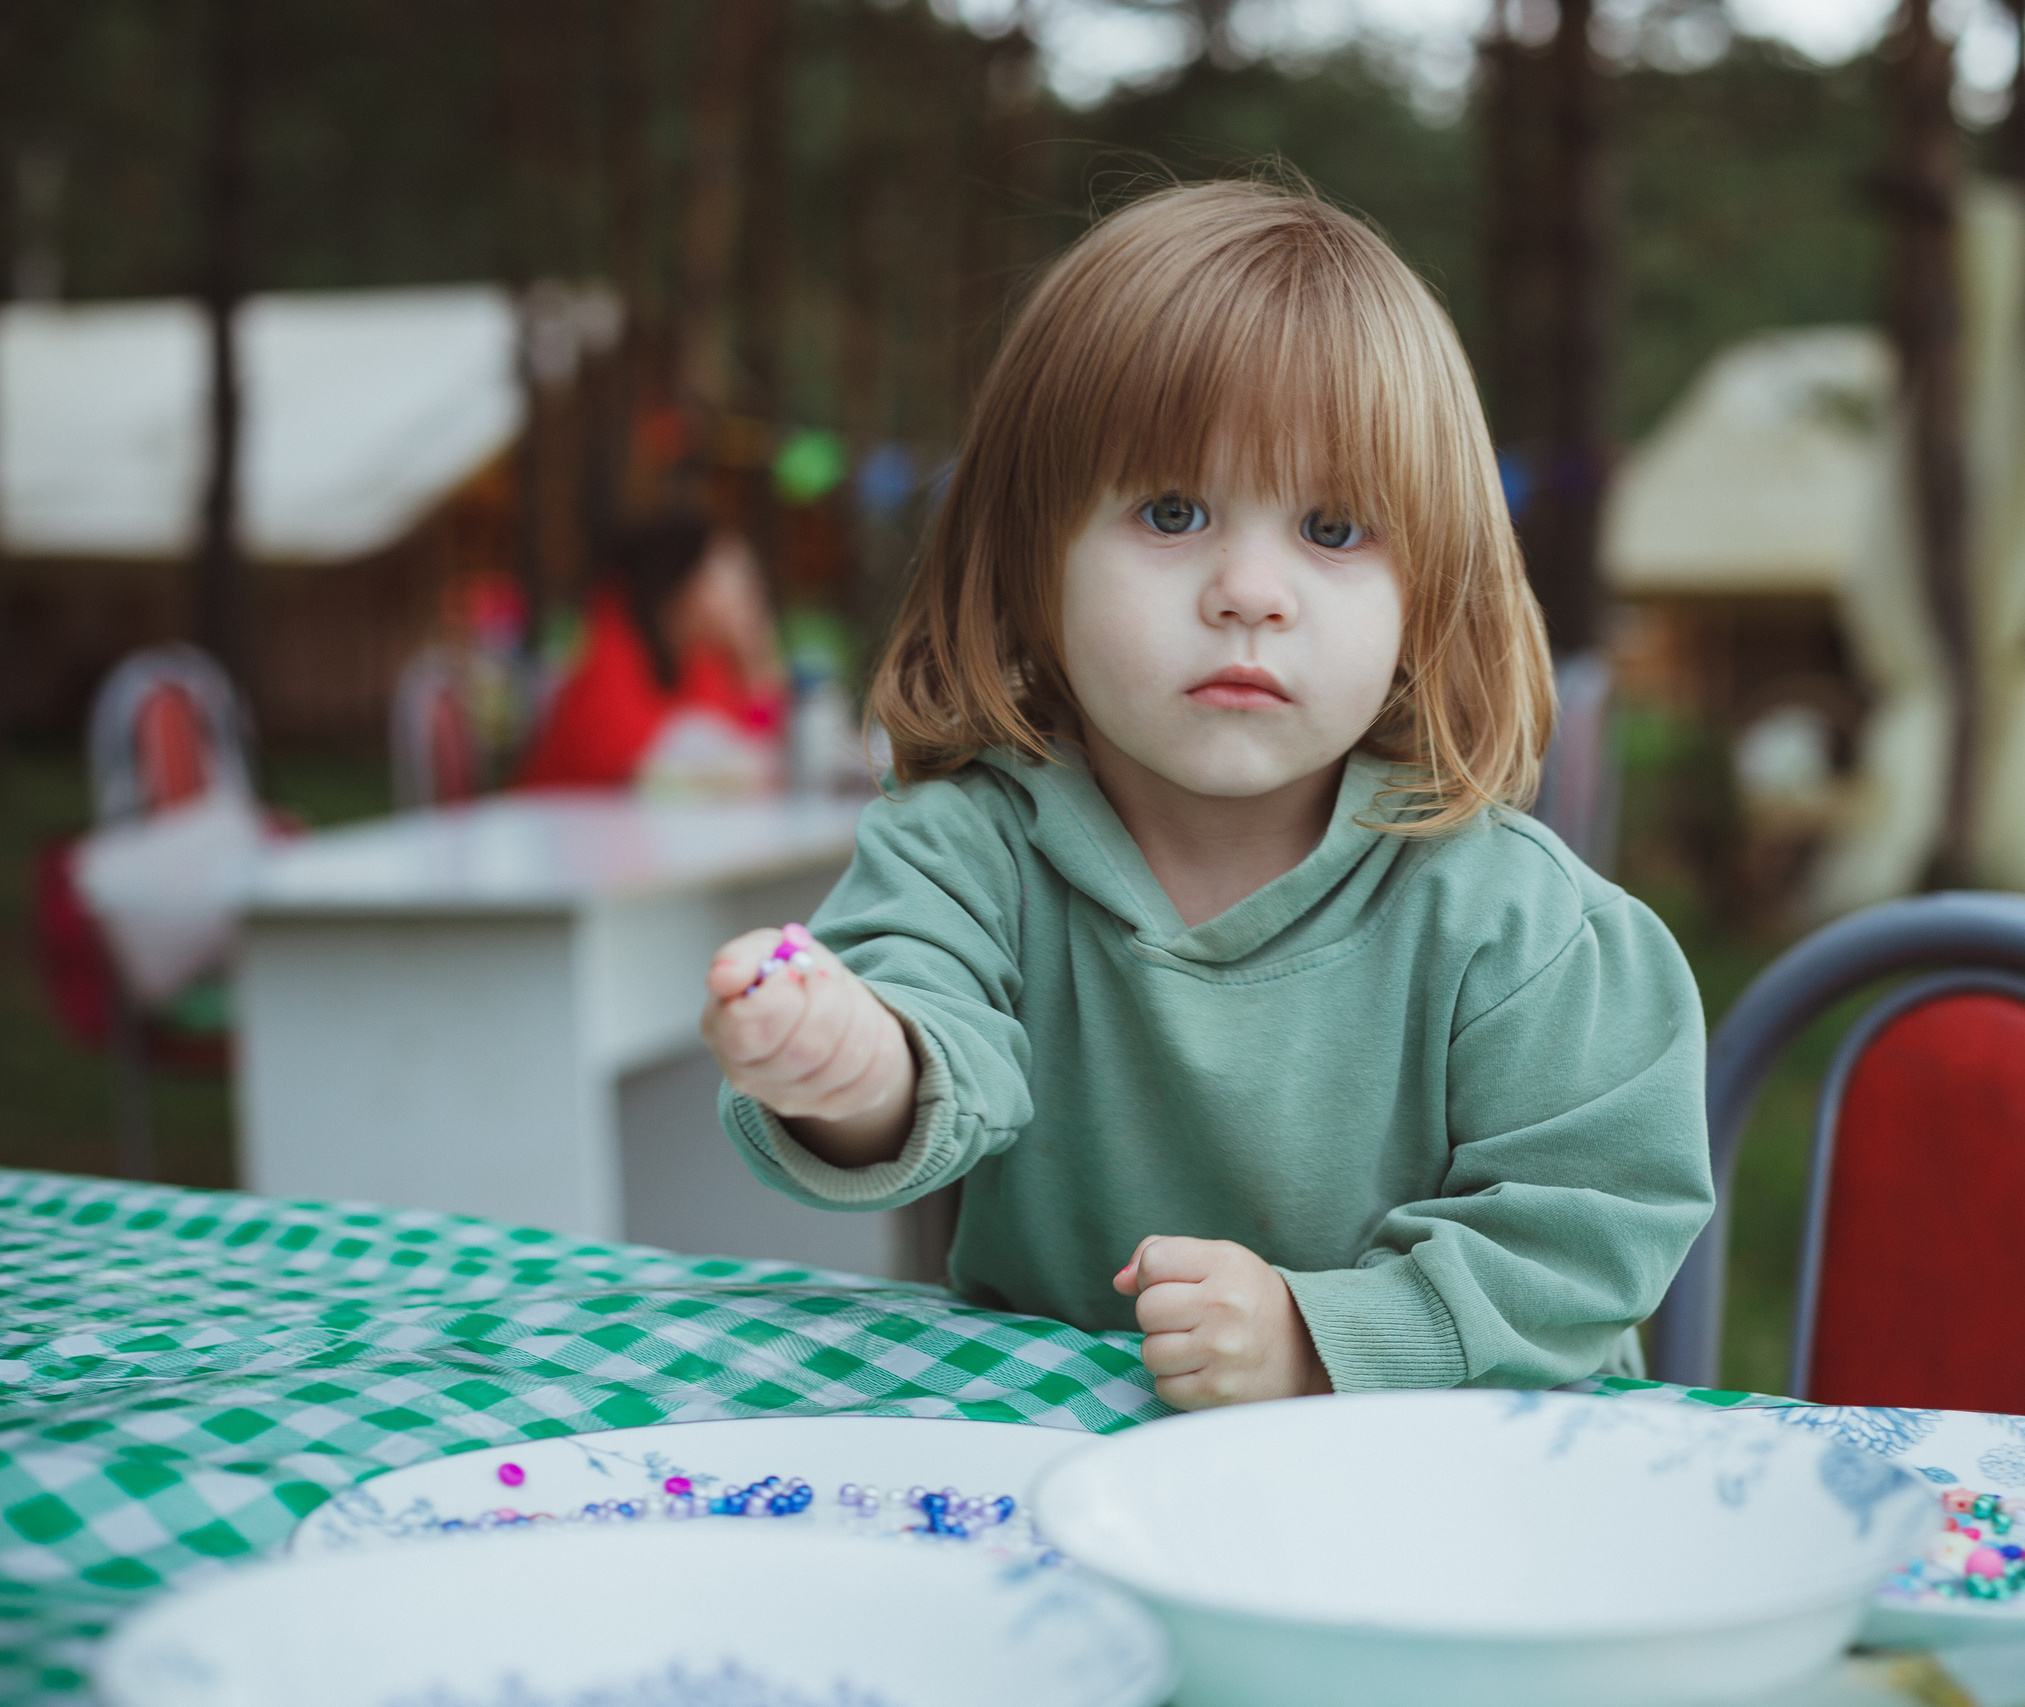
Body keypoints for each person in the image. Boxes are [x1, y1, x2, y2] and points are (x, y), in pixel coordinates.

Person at [698, 181, 1712, 1409]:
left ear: (1430, 591)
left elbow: (1589, 1234)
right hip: (1069, 1486)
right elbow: (926, 1029)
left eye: (1333, 529)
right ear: (1029, 561)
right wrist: (859, 1070)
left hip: (1456, 1507)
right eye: (1171, 512)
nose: (1248, 590)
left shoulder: (1516, 922)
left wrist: (1318, 1337)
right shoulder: (967, 849)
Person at [516, 516, 784, 791]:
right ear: (685, 584)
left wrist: (756, 671)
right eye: (737, 580)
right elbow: (626, 764)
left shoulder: (697, 663)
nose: (752, 595)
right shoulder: (610, 648)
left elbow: (755, 747)